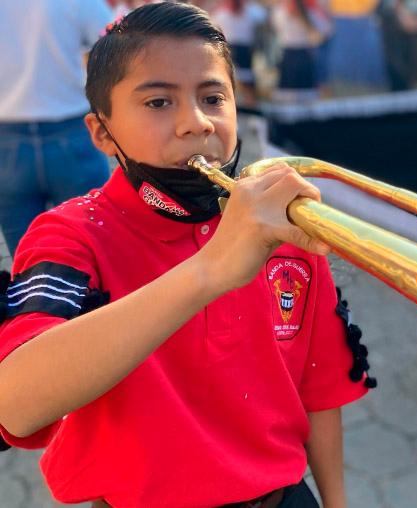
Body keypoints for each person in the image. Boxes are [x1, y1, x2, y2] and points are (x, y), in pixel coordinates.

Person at [0, 3, 372, 506]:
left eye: (213, 97)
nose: (196, 123)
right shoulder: (71, 234)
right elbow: (15, 404)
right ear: (102, 133)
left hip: (282, 496)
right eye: (158, 103)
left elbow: (321, 386)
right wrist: (209, 270)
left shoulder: (284, 226)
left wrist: (337, 500)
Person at [0, 0, 112, 257]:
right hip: (71, 132)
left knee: (28, 260)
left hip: (7, 141)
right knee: (94, 248)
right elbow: (116, 36)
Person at [212, 0, 268, 106]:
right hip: (228, 50)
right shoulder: (222, 12)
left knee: (246, 85)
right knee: (228, 84)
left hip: (243, 51)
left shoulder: (252, 11)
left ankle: (250, 108)